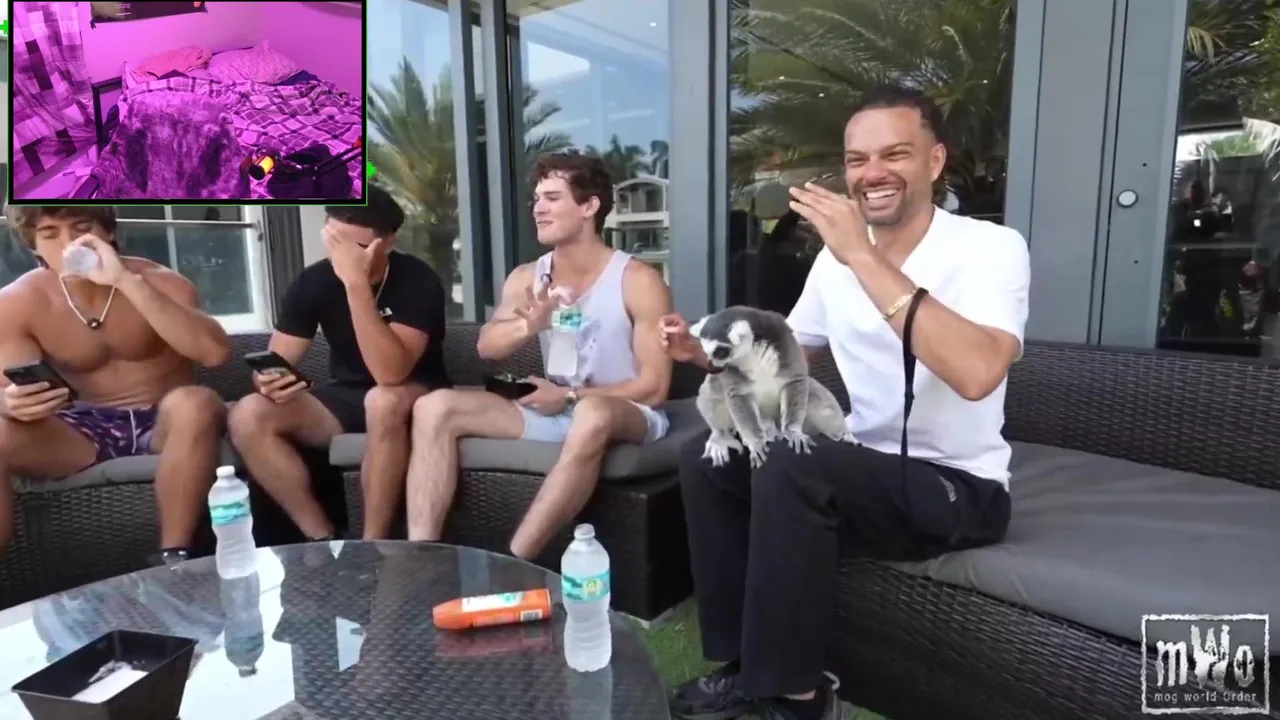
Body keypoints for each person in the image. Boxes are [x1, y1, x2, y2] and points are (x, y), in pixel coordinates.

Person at [658, 84, 1028, 720]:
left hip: (959, 489)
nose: (872, 173)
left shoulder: (990, 249)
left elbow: (977, 373)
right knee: (709, 456)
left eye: (895, 154)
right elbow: (788, 349)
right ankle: (742, 664)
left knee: (791, 460)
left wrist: (860, 255)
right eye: (858, 160)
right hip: (864, 469)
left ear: (935, 161)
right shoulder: (835, 265)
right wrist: (706, 352)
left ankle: (799, 696)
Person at [404, 153, 673, 559]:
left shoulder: (638, 279)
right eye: (536, 199)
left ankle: (514, 562)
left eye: (552, 198)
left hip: (628, 411)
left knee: (592, 412)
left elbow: (654, 387)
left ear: (589, 206)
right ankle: (422, 558)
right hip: (558, 408)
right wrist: (529, 326)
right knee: (433, 407)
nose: (538, 208)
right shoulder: (528, 276)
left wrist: (569, 397)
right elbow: (487, 348)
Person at [0, 206, 231, 564]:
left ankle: (173, 557)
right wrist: (8, 403)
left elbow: (214, 353)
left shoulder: (162, 282)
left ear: (108, 232)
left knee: (197, 402)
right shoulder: (18, 301)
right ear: (33, 245)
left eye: (82, 227)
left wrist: (125, 281)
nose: (69, 243)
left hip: (165, 422)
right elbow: (10, 385)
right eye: (49, 234)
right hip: (80, 430)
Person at [228, 186, 450, 541]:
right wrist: (268, 382)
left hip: (416, 391)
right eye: (334, 243)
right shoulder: (313, 280)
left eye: (355, 247)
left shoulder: (416, 279)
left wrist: (355, 285)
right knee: (248, 414)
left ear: (387, 243)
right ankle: (322, 538)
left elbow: (390, 374)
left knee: (383, 400)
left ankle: (373, 544)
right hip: (346, 396)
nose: (342, 257)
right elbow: (278, 358)